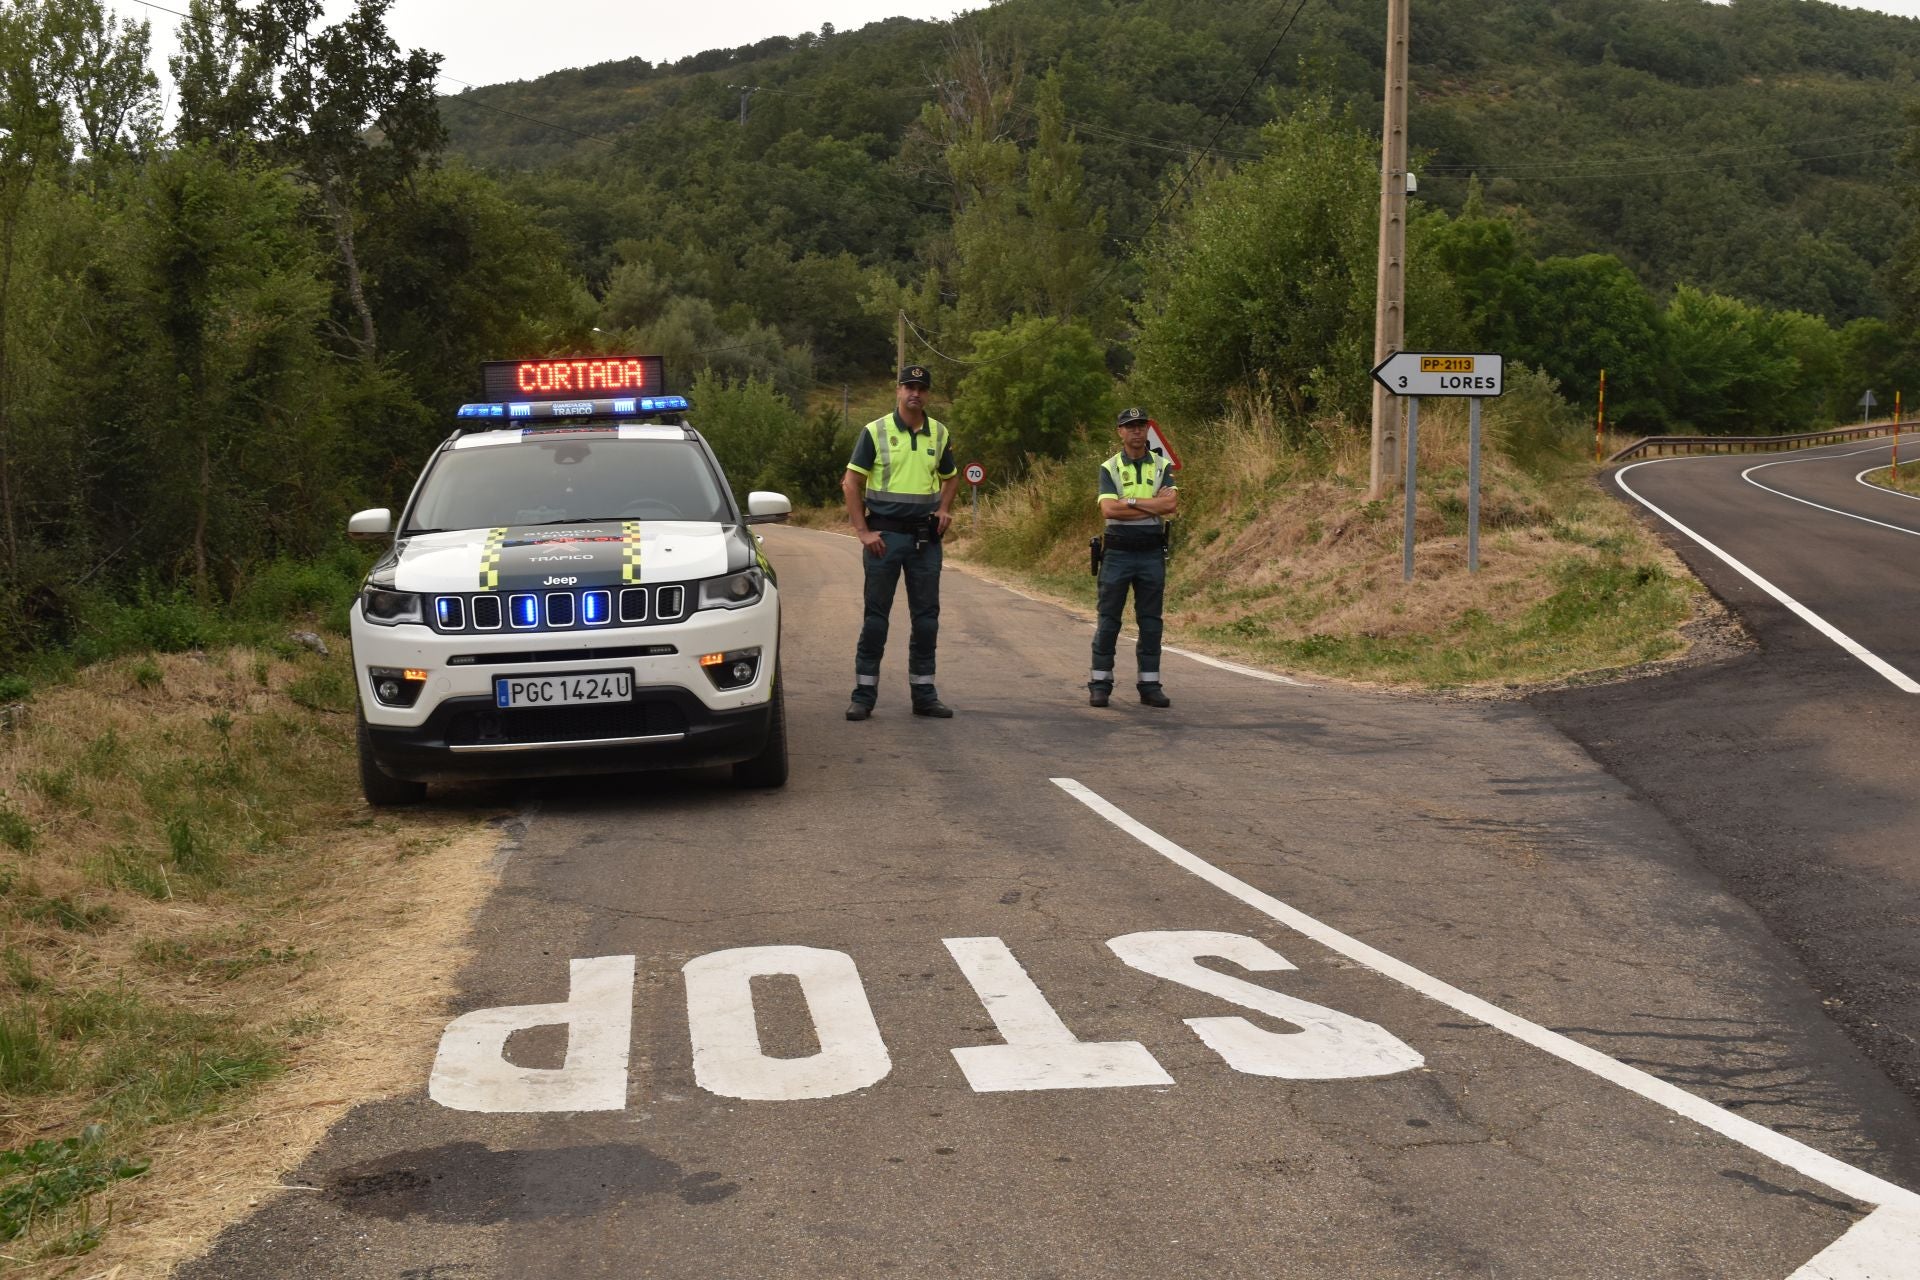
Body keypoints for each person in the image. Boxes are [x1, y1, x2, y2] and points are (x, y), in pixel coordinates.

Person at [842, 365, 959, 721]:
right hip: (884, 539)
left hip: (926, 540)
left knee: (926, 620)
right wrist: (863, 532)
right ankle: (863, 695)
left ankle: (924, 695)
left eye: (922, 388)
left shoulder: (939, 433)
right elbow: (851, 484)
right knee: (876, 619)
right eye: (909, 386)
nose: (915, 393)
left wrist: (944, 508)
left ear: (928, 394)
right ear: (898, 390)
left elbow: (951, 477)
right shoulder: (875, 431)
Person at [1089, 406, 1178, 708]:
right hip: (1118, 551)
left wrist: (1128, 500)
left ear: (1147, 430)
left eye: (1141, 425)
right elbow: (1109, 510)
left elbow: (1170, 507)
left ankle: (1149, 685)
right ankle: (1100, 683)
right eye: (1130, 426)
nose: (1137, 430)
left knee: (1151, 622)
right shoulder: (1109, 467)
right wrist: (1150, 503)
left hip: (1151, 550)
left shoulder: (1161, 465)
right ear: (1120, 432)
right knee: (1109, 620)